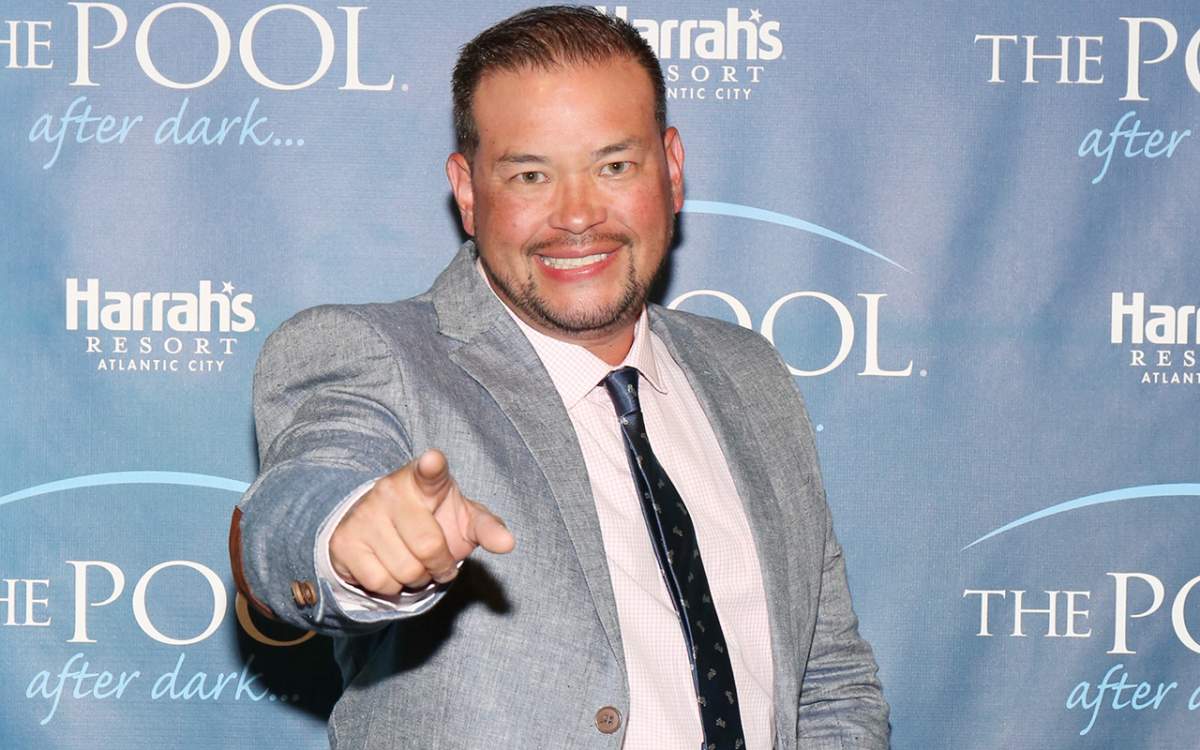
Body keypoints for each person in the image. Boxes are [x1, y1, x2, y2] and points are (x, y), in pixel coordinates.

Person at [231, 6, 889, 749]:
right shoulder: (373, 355)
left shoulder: (751, 373)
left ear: (671, 169)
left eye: (614, 166)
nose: (578, 216)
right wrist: (344, 538)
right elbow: (302, 498)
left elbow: (826, 677)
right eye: (531, 174)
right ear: (469, 190)